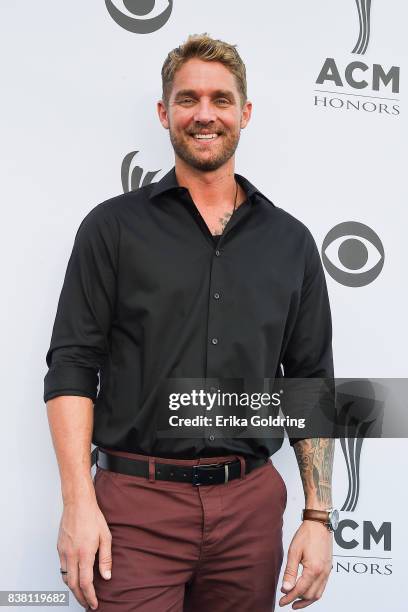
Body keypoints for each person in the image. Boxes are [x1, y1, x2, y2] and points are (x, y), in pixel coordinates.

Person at [44, 33, 337, 612]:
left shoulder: (292, 242)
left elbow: (308, 381)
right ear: (164, 112)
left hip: (250, 509)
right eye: (188, 99)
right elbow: (72, 366)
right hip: (134, 508)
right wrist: (78, 501)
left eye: (221, 100)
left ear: (245, 113)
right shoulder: (112, 229)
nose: (205, 114)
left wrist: (318, 515)